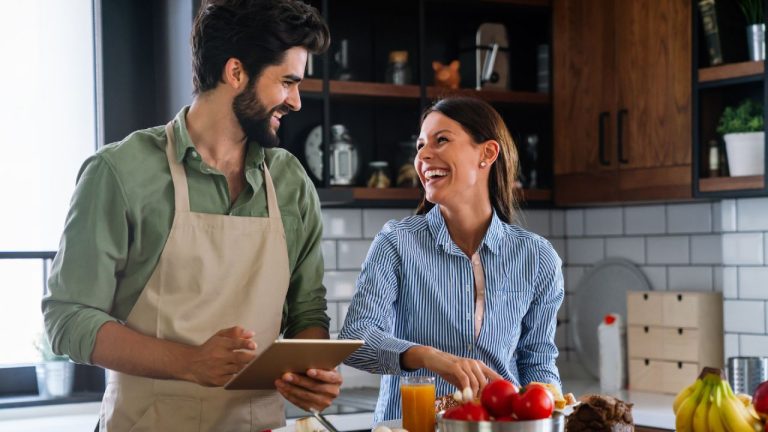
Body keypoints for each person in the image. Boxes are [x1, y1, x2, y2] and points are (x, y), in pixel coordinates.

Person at [42, 1, 340, 430]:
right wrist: (189, 363)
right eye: (288, 82)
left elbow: (307, 312)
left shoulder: (290, 182)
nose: (295, 101)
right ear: (235, 72)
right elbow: (68, 317)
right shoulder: (120, 172)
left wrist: (312, 373)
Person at [338, 97, 564, 422]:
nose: (423, 155)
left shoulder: (537, 258)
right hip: (413, 427)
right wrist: (430, 357)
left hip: (498, 427)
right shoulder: (397, 243)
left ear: (487, 153)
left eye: (441, 140)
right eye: (420, 146)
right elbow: (356, 338)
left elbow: (538, 361)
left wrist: (549, 414)